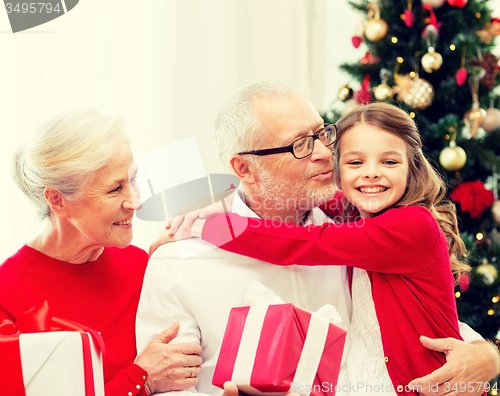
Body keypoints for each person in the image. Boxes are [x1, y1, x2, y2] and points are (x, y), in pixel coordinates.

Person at [141, 82, 498, 396]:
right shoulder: (178, 261)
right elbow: (169, 389)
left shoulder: (353, 226)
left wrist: (488, 356)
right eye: (300, 145)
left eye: (322, 134)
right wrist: (200, 221)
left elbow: (408, 318)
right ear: (244, 169)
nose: (326, 153)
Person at [0, 109, 202, 396]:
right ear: (58, 201)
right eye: (114, 189)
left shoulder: (140, 265)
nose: (136, 202)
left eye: (132, 180)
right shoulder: (8, 296)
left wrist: (173, 262)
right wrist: (140, 379)